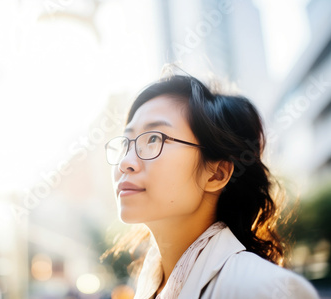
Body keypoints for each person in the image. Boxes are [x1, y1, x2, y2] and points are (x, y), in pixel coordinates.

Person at [103, 72, 319, 298]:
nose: (125, 162)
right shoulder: (148, 287)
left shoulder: (266, 290)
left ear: (217, 174)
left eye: (154, 138)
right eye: (126, 143)